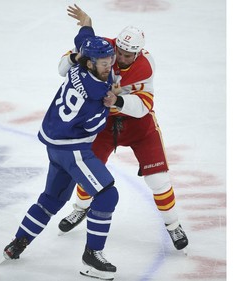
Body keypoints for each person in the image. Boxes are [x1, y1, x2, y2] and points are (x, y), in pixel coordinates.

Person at [57, 4, 188, 252]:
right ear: (115, 45)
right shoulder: (102, 49)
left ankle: (173, 225)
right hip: (104, 124)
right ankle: (79, 209)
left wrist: (117, 100)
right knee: (88, 174)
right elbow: (63, 67)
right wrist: (77, 55)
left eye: (130, 55)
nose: (123, 58)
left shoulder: (145, 66)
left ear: (138, 53)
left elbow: (144, 105)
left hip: (139, 126)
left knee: (158, 179)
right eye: (121, 52)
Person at [1, 35, 122, 280]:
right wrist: (111, 103)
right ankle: (92, 258)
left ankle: (18, 243)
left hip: (55, 145)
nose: (109, 63)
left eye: (110, 58)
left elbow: (84, 40)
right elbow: (94, 127)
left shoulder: (78, 66)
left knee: (51, 199)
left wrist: (86, 23)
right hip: (73, 149)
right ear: (91, 63)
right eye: (103, 61)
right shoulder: (97, 94)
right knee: (108, 194)